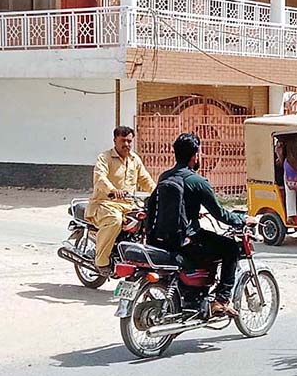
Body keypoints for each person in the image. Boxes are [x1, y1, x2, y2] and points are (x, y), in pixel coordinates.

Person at [157, 133, 258, 318]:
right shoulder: (197, 181)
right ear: (195, 155)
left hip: (162, 239)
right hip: (187, 241)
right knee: (230, 248)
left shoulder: (164, 176)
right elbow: (220, 214)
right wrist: (243, 219)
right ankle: (221, 299)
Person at [86, 126, 155, 276]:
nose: (127, 144)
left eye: (129, 141)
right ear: (115, 140)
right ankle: (101, 261)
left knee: (146, 220)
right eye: (123, 141)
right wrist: (112, 191)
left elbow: (145, 179)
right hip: (104, 204)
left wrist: (158, 193)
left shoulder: (134, 159)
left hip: (128, 206)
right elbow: (100, 178)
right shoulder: (104, 158)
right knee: (115, 220)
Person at [282, 136, 297, 226]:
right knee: (292, 192)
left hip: (290, 166)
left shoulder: (287, 138)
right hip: (294, 167)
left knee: (290, 192)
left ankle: (291, 214)